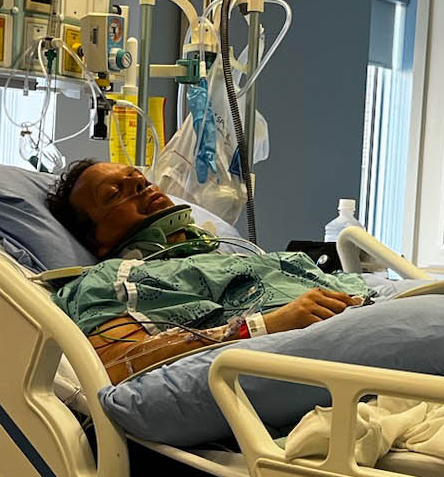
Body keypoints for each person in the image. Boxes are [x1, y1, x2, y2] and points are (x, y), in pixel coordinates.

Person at [44, 159, 369, 382]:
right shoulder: (107, 279)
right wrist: (262, 326)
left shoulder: (234, 255)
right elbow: (114, 363)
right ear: (96, 240)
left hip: (366, 316)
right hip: (329, 357)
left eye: (137, 176)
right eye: (115, 192)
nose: (141, 183)